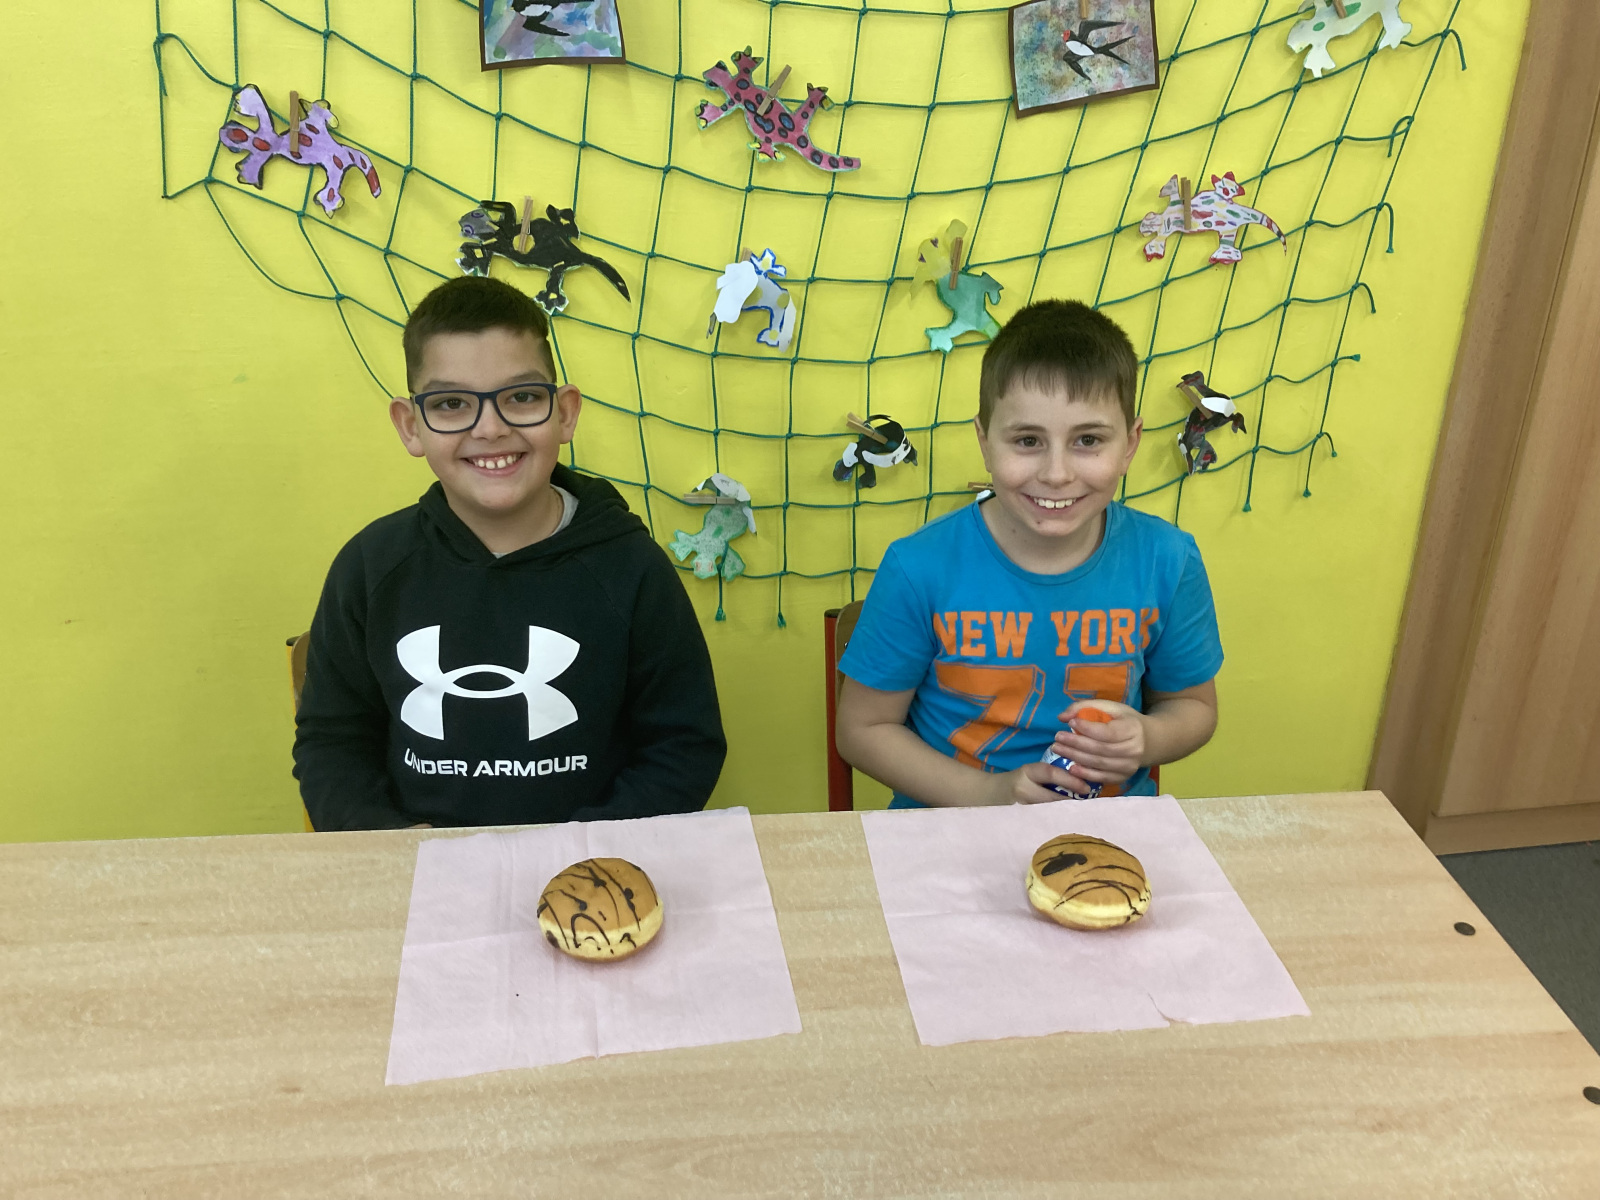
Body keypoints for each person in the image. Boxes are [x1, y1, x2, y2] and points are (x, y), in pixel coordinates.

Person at [293, 276, 726, 829]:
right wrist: (393, 845)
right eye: (451, 404)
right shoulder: (369, 567)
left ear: (565, 413)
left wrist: (583, 850)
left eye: (521, 397)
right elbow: (332, 744)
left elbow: (684, 746)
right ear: (410, 426)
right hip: (418, 866)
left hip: (591, 863)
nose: (491, 429)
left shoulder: (633, 568)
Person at [835, 299, 1221, 807]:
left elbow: (1193, 707)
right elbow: (862, 730)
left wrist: (1149, 738)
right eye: (1027, 441)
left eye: (1088, 439)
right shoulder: (918, 567)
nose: (1056, 474)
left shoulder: (1168, 560)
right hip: (949, 829)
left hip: (1110, 831)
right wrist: (990, 793)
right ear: (985, 442)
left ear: (1129, 445)